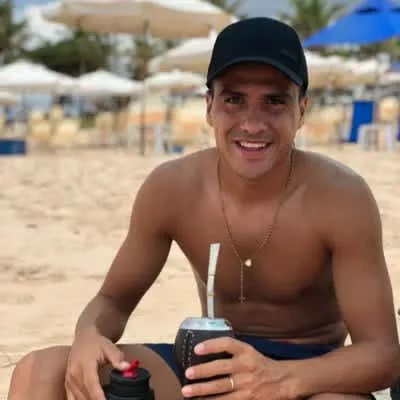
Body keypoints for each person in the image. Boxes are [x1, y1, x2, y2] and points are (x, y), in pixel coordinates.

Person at [8, 17, 399, 400]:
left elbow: (382, 353)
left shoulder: (340, 197)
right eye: (234, 100)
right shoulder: (173, 188)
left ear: (302, 109)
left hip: (309, 369)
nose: (252, 123)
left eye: (275, 101)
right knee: (40, 371)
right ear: (210, 106)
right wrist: (89, 335)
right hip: (206, 363)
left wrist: (279, 381)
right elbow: (112, 300)